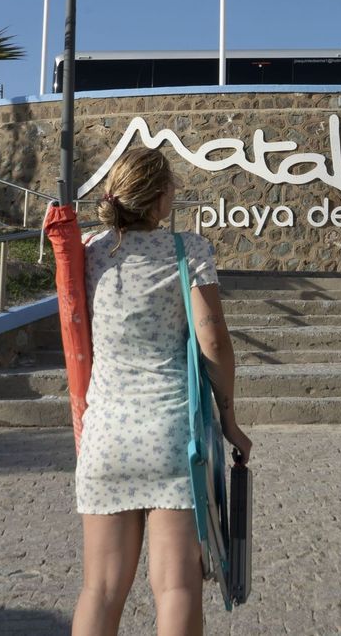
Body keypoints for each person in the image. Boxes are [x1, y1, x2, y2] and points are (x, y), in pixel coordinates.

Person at [72, 146, 252, 636]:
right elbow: (212, 337)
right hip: (173, 437)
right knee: (176, 588)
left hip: (106, 434)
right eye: (171, 184)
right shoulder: (187, 250)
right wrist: (230, 418)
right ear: (159, 197)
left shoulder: (88, 252)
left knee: (100, 590)